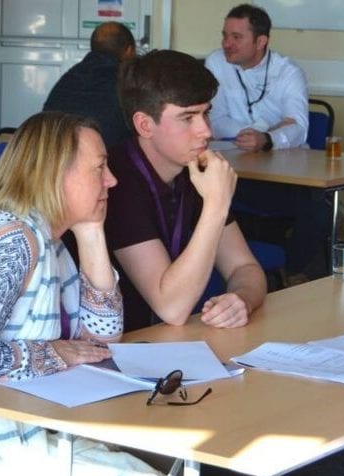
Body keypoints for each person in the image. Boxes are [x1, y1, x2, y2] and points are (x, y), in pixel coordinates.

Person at [0, 111, 186, 476]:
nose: (112, 181)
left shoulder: (49, 241)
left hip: (31, 435)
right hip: (7, 456)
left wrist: (91, 231)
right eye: (99, 168)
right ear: (53, 172)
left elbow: (103, 335)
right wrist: (51, 354)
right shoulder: (13, 238)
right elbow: (67, 349)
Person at [105, 49, 266, 333]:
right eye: (188, 118)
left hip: (158, 343)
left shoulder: (193, 171)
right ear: (145, 125)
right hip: (110, 351)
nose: (206, 131)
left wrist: (241, 299)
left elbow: (245, 268)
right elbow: (172, 307)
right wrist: (216, 204)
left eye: (206, 114)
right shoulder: (116, 181)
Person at [205, 3, 331, 282]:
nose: (227, 44)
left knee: (318, 210)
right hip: (235, 171)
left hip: (283, 177)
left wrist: (267, 139)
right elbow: (213, 121)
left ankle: (293, 273)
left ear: (261, 41)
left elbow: (299, 127)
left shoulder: (288, 72)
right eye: (225, 35)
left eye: (236, 37)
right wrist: (263, 130)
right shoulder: (215, 63)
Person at [43, 21, 136, 149]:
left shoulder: (69, 78)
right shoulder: (127, 83)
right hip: (100, 161)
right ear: (129, 51)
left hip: (53, 157)